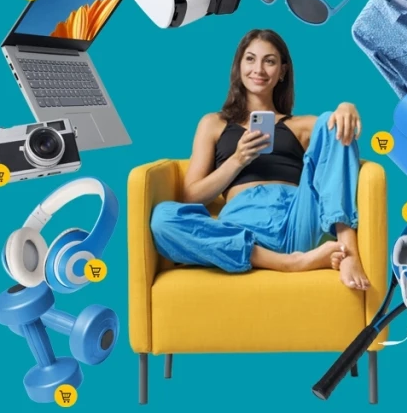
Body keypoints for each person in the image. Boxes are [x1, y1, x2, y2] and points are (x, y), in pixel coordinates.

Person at [149, 29, 371, 290]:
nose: (259, 69)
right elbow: (190, 196)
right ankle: (288, 263)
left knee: (332, 123)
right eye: (251, 59)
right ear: (239, 66)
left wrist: (345, 107)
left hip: (295, 220)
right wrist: (237, 160)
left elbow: (337, 138)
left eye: (270, 61)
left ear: (282, 71)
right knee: (162, 218)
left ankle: (348, 252)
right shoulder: (213, 123)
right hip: (240, 228)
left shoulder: (301, 125)